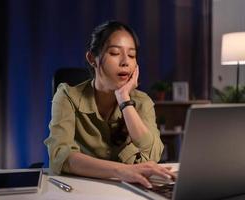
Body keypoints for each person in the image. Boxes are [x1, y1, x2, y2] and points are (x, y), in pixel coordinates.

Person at [44, 20, 174, 188]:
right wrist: (122, 170)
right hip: (82, 190)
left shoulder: (142, 102)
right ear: (92, 59)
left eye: (132, 55)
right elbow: (60, 157)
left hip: (129, 191)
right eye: (114, 53)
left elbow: (153, 154)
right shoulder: (67, 96)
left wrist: (124, 100)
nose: (125, 62)